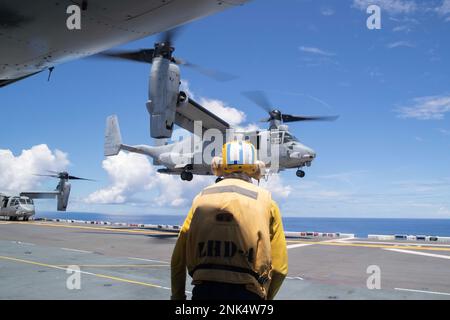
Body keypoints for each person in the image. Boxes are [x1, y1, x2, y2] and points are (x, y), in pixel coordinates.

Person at [171, 141, 288, 300]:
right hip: (249, 294)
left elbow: (178, 259)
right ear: (256, 168)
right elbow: (280, 268)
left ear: (218, 166)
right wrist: (267, 298)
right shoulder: (267, 202)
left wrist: (177, 296)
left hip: (203, 292)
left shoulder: (200, 199)